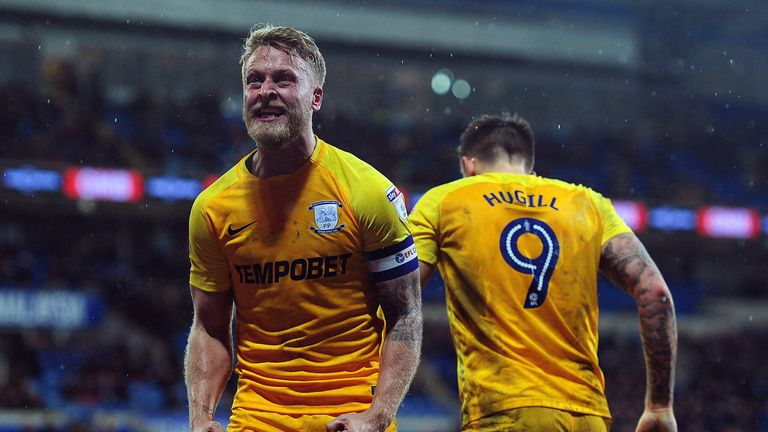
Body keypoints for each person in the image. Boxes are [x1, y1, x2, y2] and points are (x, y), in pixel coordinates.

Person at [184, 24, 422, 432]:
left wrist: (377, 417)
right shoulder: (212, 208)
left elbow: (407, 314)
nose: (265, 91)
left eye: (284, 79)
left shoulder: (365, 191)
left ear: (316, 98)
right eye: (254, 81)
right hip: (256, 420)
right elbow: (208, 325)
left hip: (350, 419)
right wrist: (200, 417)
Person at [409, 113, 677, 432]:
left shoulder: (445, 200)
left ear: (469, 165)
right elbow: (656, 293)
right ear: (530, 169)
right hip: (586, 414)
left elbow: (401, 290)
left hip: (505, 413)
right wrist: (659, 407)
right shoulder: (588, 203)